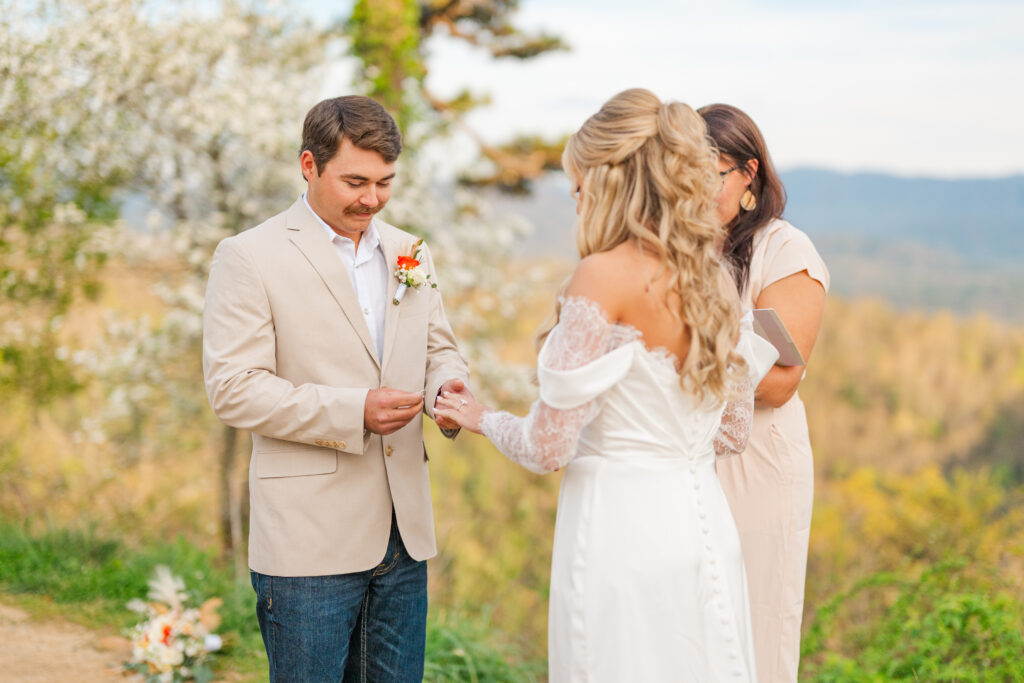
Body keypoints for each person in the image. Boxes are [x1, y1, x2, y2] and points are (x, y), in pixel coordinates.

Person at [435, 88, 779, 682]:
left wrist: (481, 417)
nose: (574, 201)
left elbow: (547, 448)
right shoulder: (717, 280)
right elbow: (733, 431)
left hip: (621, 533)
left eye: (577, 186)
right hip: (704, 532)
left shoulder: (602, 276)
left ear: (608, 183)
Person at [202, 95, 470, 682]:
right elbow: (233, 389)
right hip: (307, 538)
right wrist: (355, 411)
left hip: (403, 534)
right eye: (354, 181)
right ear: (308, 165)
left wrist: (448, 386)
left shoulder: (410, 251)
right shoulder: (249, 257)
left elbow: (438, 347)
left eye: (384, 182)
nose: (370, 199)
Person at [699, 103, 830, 683]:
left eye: (712, 174)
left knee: (756, 629)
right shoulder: (682, 251)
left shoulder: (786, 251)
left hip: (760, 467)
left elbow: (780, 381)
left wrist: (680, 363)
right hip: (689, 459)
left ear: (749, 173)